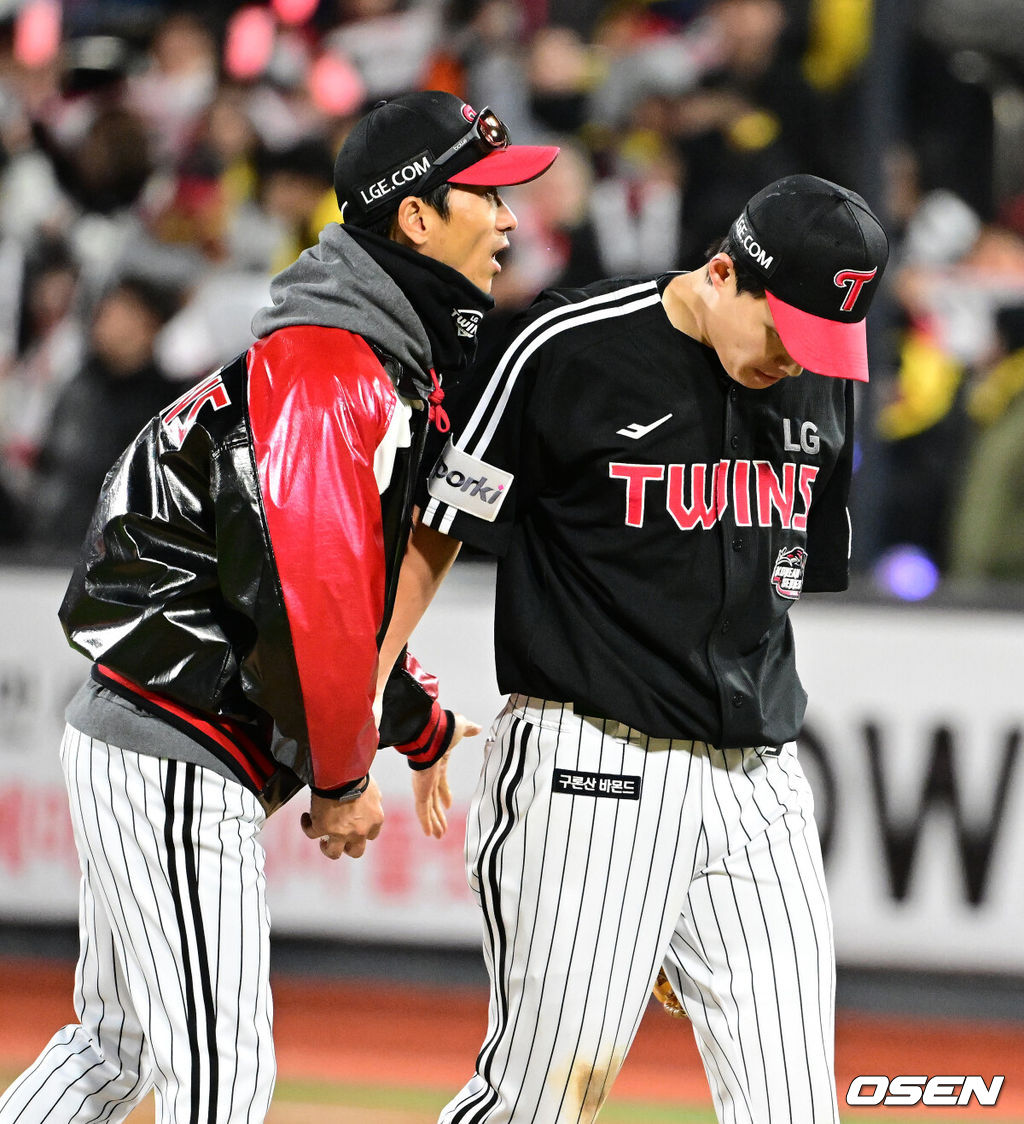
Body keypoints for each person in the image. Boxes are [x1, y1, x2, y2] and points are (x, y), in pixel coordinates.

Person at [0, 91, 557, 1124]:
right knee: (222, 1078)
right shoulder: (330, 364)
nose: (512, 217)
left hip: (159, 727)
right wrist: (345, 774)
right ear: (417, 219)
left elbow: (316, 584)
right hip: (174, 737)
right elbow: (315, 602)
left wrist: (417, 721)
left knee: (116, 1048)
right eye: (485, 193)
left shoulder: (363, 354)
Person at [409, 174, 889, 1122]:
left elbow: (780, 585)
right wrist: (364, 707)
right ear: (721, 274)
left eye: (824, 345)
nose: (799, 363)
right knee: (538, 1104)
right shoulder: (571, 344)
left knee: (795, 1108)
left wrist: (686, 892)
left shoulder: (822, 379)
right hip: (592, 766)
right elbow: (438, 527)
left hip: (756, 784)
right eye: (786, 334)